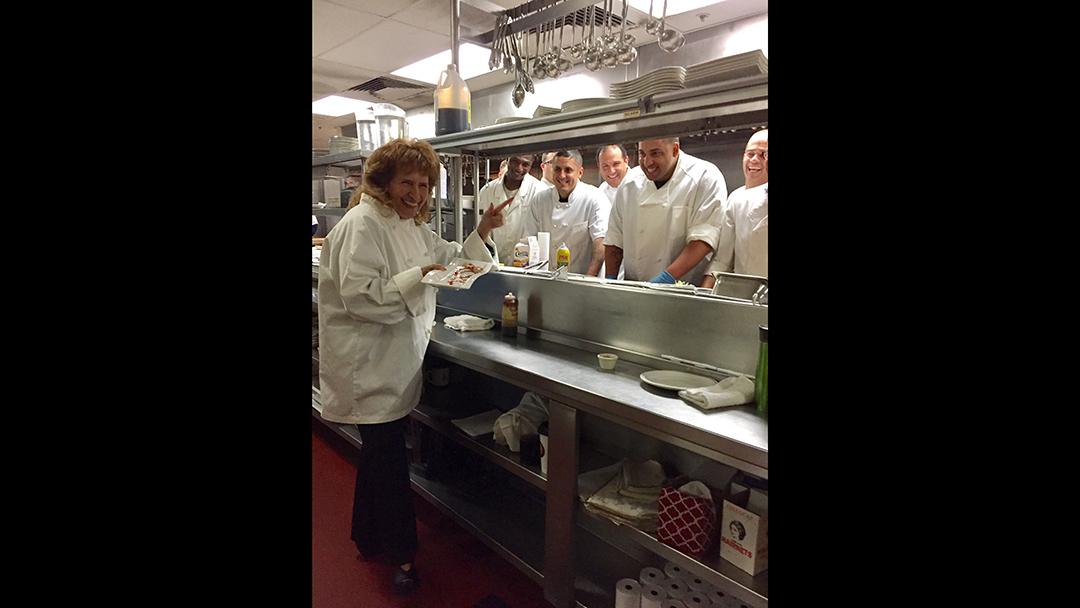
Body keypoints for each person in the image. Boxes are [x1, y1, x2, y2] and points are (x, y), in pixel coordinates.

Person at [317, 138, 511, 595]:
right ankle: (402, 557)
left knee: (379, 459)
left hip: (393, 362)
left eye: (424, 184)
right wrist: (419, 276)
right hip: (369, 367)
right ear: (383, 181)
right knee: (388, 465)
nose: (418, 194)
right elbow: (363, 298)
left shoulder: (407, 223)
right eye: (408, 182)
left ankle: (367, 536)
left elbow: (445, 255)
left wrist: (481, 231)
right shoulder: (363, 224)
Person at [604, 137, 727, 285]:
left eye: (655, 154)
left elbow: (702, 240)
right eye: (642, 154)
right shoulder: (630, 182)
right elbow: (614, 240)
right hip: (634, 289)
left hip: (680, 290)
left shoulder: (705, 177)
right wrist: (609, 282)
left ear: (675, 149)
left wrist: (665, 279)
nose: (647, 162)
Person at [523, 149, 608, 276]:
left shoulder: (595, 198)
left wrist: (589, 281)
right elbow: (530, 241)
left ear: (580, 172)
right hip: (547, 279)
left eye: (568, 170)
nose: (562, 176)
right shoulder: (539, 200)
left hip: (582, 279)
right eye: (557, 169)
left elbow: (600, 246)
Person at [703, 130, 768, 285]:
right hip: (745, 297)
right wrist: (704, 292)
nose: (755, 160)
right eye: (750, 153)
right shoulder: (735, 198)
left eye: (763, 155)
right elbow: (722, 261)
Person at [476, 153, 551, 265]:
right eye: (515, 161)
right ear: (507, 159)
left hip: (528, 267)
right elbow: (482, 234)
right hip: (494, 265)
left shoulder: (540, 191)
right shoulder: (487, 191)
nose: (519, 168)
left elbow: (543, 235)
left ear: (531, 166)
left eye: (525, 164)